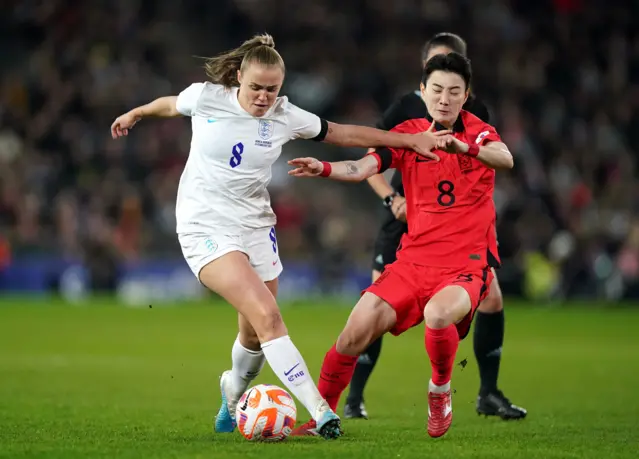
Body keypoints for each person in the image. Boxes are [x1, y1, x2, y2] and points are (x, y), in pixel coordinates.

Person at [110, 34, 442, 440]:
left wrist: (408, 140)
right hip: (204, 226)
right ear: (237, 78)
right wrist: (137, 113)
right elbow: (170, 104)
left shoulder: (285, 115)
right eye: (256, 87)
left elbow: (344, 134)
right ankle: (320, 412)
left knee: (252, 333)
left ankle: (232, 392)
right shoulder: (207, 97)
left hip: (255, 225)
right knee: (268, 317)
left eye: (272, 89)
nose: (264, 96)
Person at [288, 52, 513, 438]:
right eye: (437, 89)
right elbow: (362, 168)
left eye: (454, 92)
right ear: (423, 91)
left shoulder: (478, 133)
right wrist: (323, 168)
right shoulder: (410, 135)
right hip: (411, 263)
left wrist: (466, 150)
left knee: (439, 316)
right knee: (352, 333)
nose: (444, 98)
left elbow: (505, 159)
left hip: (463, 265)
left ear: (466, 95)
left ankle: (440, 390)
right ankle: (319, 419)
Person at [345, 32, 527, 421]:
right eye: (436, 68)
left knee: (491, 297)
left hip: (458, 229)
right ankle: (354, 397)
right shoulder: (405, 108)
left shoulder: (475, 114)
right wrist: (392, 200)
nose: (445, 92)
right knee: (376, 305)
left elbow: (487, 165)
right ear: (424, 75)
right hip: (406, 217)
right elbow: (372, 156)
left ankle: (487, 392)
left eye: (453, 72)